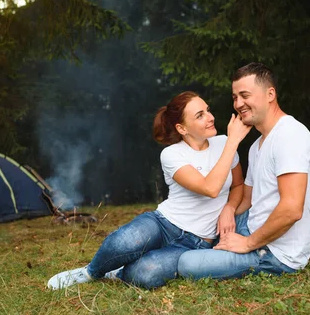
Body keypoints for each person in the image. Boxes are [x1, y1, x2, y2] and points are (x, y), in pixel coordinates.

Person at [47, 91, 252, 289]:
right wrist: (233, 142)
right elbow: (210, 188)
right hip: (163, 224)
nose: (210, 117)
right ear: (182, 128)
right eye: (200, 115)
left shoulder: (224, 143)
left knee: (146, 273)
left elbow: (237, 185)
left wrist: (229, 208)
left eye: (207, 110)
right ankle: (90, 272)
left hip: (196, 242)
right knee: (125, 241)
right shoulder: (172, 154)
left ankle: (117, 272)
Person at [177, 62, 310, 280]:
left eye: (245, 95)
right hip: (251, 226)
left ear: (270, 94)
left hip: (276, 253)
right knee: (203, 226)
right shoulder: (257, 145)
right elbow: (249, 197)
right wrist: (229, 208)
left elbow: (292, 209)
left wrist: (247, 243)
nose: (238, 104)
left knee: (188, 264)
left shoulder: (290, 136)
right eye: (235, 97)